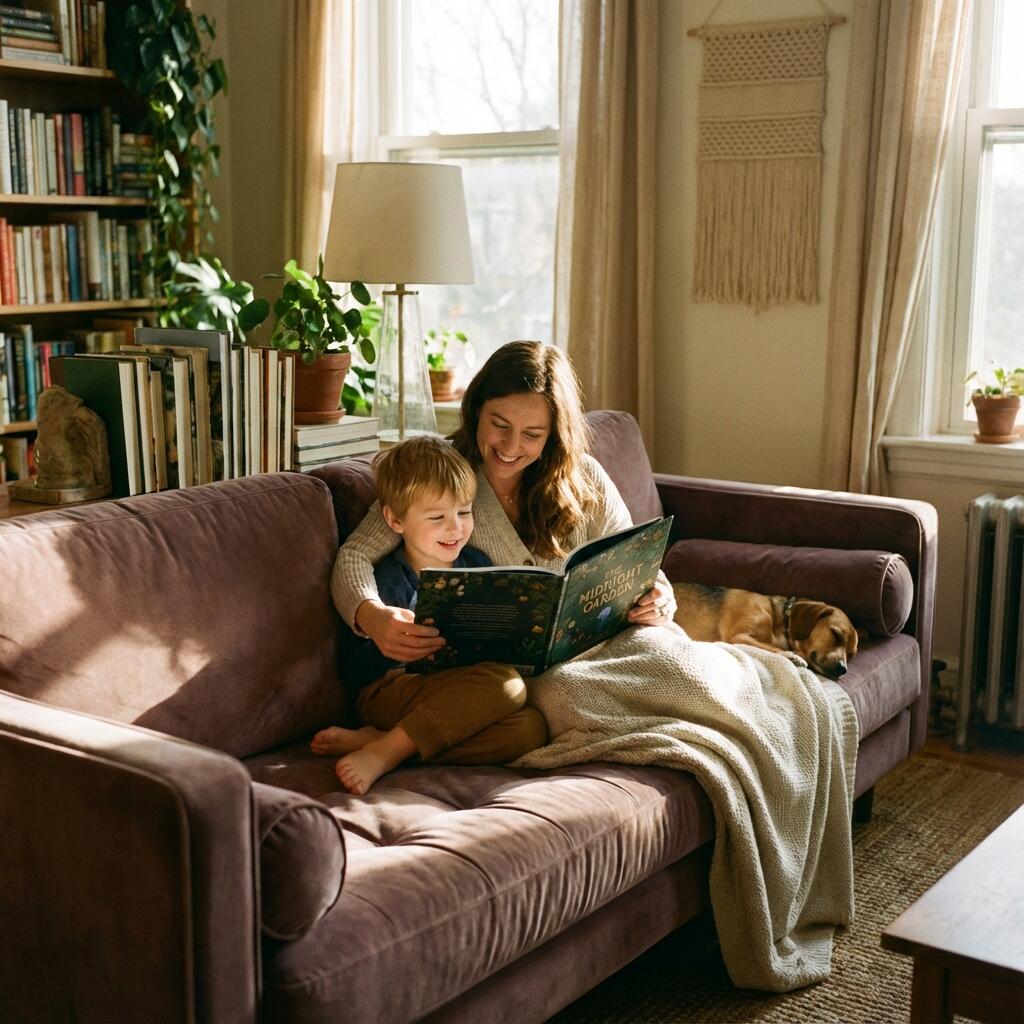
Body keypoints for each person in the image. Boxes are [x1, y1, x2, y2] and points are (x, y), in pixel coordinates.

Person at [330, 340, 676, 670]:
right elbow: (355, 555)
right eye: (499, 425)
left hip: (616, 643)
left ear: (554, 433)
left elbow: (636, 563)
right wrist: (371, 614)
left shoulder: (585, 476)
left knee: (684, 668)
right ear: (477, 407)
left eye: (532, 434)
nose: (510, 446)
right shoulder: (440, 476)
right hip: (535, 677)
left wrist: (659, 599)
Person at [312, 435, 547, 794]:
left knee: (530, 729)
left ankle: (389, 743)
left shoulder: (478, 567)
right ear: (394, 520)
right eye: (437, 517)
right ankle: (388, 750)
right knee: (506, 685)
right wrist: (394, 647)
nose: (455, 528)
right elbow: (353, 669)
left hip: (453, 693)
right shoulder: (390, 582)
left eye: (464, 512)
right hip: (389, 692)